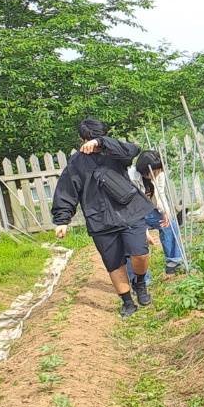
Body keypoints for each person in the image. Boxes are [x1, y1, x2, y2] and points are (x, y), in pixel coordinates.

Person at [50, 119, 156, 318]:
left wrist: (102, 143)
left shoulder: (115, 152)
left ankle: (140, 283)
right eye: (89, 140)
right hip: (100, 219)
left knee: (140, 253)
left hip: (129, 212)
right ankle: (127, 303)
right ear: (81, 139)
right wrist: (62, 220)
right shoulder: (76, 162)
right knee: (114, 263)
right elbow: (66, 190)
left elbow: (133, 150)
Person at [128, 150, 185, 277]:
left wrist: (166, 211)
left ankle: (173, 263)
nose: (158, 173)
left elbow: (160, 194)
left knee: (170, 224)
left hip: (149, 211)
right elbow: (131, 208)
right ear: (143, 170)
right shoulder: (130, 178)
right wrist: (143, 230)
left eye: (159, 170)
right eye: (154, 171)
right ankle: (140, 280)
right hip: (131, 216)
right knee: (135, 240)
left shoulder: (159, 174)